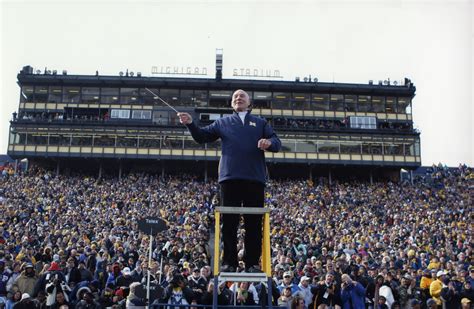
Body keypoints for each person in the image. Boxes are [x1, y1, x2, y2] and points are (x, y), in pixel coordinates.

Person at [178, 89, 281, 272]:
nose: (238, 98)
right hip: (229, 178)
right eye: (235, 97)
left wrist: (269, 143)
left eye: (242, 96)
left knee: (254, 224)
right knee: (229, 223)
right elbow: (202, 137)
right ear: (231, 103)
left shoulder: (260, 123)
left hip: (254, 179)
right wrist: (191, 124)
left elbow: (276, 142)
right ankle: (229, 263)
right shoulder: (222, 122)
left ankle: (252, 263)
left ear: (249, 103)